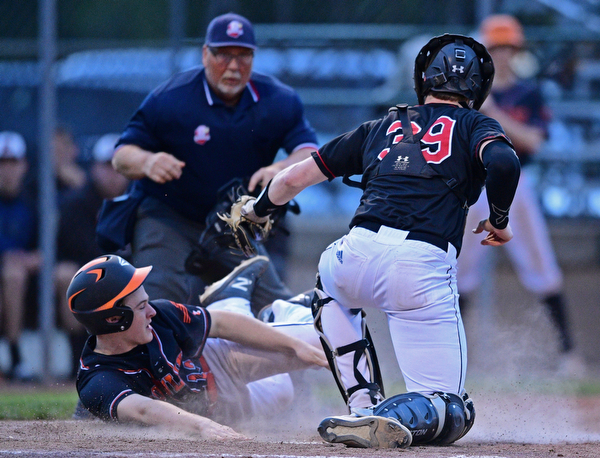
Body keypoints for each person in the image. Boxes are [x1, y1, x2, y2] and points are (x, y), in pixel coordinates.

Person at [235, 34, 521, 448]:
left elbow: (295, 176)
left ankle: (362, 405)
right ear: (478, 86)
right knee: (452, 409)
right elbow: (504, 161)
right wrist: (499, 219)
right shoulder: (475, 124)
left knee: (330, 288)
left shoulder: (383, 125)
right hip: (419, 266)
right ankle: (388, 417)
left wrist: (255, 211)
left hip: (353, 254)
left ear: (423, 79)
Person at [110, 12, 319, 310]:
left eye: (243, 56)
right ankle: (157, 356)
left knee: (274, 305)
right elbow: (121, 155)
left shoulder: (277, 100)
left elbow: (309, 152)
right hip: (170, 215)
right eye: (223, 55)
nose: (233, 66)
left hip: (233, 219)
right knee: (155, 303)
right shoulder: (172, 98)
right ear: (205, 54)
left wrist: (278, 168)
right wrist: (147, 161)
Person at [68, 254, 327, 437]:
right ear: (115, 319)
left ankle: (249, 303)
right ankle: (263, 311)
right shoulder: (97, 381)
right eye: (140, 307)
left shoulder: (161, 315)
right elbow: (144, 409)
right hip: (222, 408)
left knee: (320, 340)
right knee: (283, 393)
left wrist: (294, 345)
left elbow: (222, 325)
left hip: (219, 360)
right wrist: (201, 425)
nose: (151, 312)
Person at [457, 15, 581, 373]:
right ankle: (455, 358)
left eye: (507, 47)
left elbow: (533, 141)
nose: (502, 54)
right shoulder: (466, 92)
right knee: (459, 271)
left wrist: (493, 113)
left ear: (517, 50)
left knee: (541, 264)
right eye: (494, 48)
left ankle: (569, 355)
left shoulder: (527, 93)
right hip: (472, 182)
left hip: (516, 180)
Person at [55, 133, 130, 379]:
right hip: (88, 271)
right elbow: (79, 248)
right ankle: (78, 359)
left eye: (119, 167)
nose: (113, 173)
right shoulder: (76, 202)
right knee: (67, 275)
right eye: (107, 166)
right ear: (95, 168)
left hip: (129, 272)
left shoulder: (138, 199)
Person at [0, 131, 40, 380]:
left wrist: (29, 260)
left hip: (30, 281)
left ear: (24, 165)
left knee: (13, 275)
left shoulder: (35, 199)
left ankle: (15, 359)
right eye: (2, 163)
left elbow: (47, 251)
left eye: (12, 162)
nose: (7, 170)